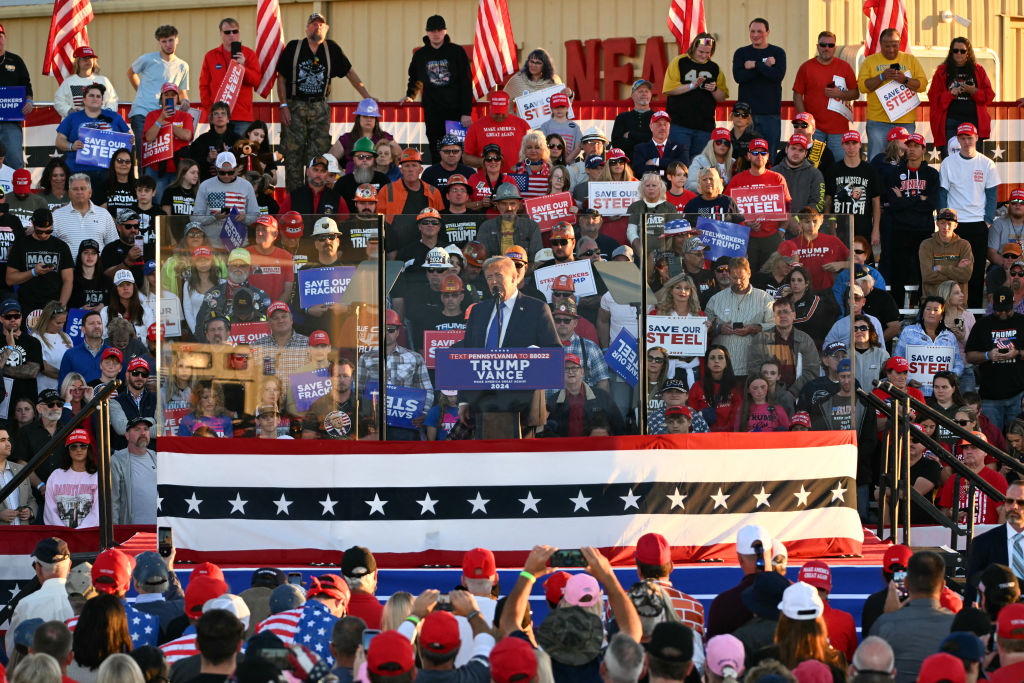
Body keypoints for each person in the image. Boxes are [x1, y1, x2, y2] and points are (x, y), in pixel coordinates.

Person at [276, 13, 373, 191]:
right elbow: (280, 77)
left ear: (326, 29)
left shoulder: (331, 49)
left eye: (321, 24)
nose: (317, 27)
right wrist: (283, 105)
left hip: (320, 107)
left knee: (319, 157)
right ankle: (295, 203)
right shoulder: (294, 48)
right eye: (313, 24)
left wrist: (366, 96)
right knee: (293, 157)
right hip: (295, 106)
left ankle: (316, 199)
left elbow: (350, 73)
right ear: (307, 28)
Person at [869, 550, 955, 683]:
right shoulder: (955, 625)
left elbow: (870, 668)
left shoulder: (884, 623)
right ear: (943, 585)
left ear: (906, 583)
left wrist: (890, 617)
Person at [939, 123, 1000, 307]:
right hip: (955, 225)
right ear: (957, 139)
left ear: (976, 138)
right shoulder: (948, 163)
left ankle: (974, 311)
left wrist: (987, 221)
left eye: (969, 138)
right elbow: (943, 193)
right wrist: (943, 222)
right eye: (963, 138)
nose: (966, 142)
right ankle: (953, 311)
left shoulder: (987, 163)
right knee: (955, 269)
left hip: (978, 224)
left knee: (976, 269)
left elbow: (992, 195)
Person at [400, 15, 473, 164]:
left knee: (455, 149)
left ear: (445, 31)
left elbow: (466, 83)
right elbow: (414, 79)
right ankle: (436, 184)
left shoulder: (457, 52)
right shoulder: (420, 55)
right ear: (427, 33)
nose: (436, 33)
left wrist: (466, 112)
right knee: (436, 149)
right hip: (432, 111)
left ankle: (456, 182)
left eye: (439, 30)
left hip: (455, 112)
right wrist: (410, 96)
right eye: (432, 30)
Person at [857, 29, 927, 160]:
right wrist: (882, 77)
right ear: (880, 44)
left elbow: (922, 85)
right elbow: (862, 87)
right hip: (878, 122)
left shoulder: (910, 60)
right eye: (887, 45)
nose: (890, 49)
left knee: (906, 160)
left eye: (894, 45)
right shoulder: (870, 61)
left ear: (900, 43)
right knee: (877, 159)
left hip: (905, 121)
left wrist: (904, 80)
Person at [127, 25, 190, 168]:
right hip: (142, 111)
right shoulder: (147, 59)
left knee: (163, 154)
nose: (168, 44)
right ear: (159, 42)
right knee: (145, 153)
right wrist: (140, 91)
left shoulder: (183, 66)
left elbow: (181, 91)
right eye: (164, 41)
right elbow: (130, 73)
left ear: (177, 40)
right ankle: (144, 189)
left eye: (171, 40)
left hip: (166, 114)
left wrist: (185, 100)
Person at [724, 139, 792, 271]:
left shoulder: (777, 178)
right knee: (748, 275)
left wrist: (782, 231)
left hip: (772, 237)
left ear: (767, 156)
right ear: (749, 156)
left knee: (772, 275)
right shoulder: (737, 180)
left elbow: (788, 208)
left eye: (763, 153)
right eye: (755, 153)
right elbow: (727, 211)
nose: (759, 156)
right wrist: (744, 223)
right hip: (746, 238)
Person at [661, 33, 728, 164]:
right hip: (679, 125)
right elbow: (668, 89)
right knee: (679, 164)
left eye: (708, 52)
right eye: (701, 51)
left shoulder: (714, 67)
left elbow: (722, 97)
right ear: (693, 47)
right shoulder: (679, 61)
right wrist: (692, 86)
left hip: (705, 127)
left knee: (700, 165)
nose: (704, 55)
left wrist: (714, 89)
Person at [792, 31, 860, 160]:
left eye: (830, 45)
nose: (826, 48)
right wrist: (805, 121)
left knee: (838, 165)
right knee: (814, 165)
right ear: (817, 46)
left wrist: (840, 94)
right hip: (815, 129)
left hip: (838, 129)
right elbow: (797, 95)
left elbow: (855, 93)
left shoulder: (844, 67)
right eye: (823, 45)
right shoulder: (806, 67)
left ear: (835, 47)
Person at [966, 287, 1024, 431]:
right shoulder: (982, 325)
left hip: (1018, 394)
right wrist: (988, 355)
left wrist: (1017, 353)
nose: (1003, 313)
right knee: (992, 442)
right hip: (990, 396)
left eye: (1006, 309)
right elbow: (969, 355)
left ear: (1014, 303)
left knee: (1018, 440)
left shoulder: (1022, 322)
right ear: (992, 304)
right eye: (999, 310)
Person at [746, 298, 820, 399]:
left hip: (798, 398)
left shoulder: (805, 340)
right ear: (774, 316)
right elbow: (753, 370)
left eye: (786, 312)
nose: (782, 316)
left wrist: (792, 393)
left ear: (794, 315)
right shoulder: (760, 339)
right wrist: (769, 392)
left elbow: (812, 372)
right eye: (778, 312)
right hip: (767, 397)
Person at [198, 18, 260, 137]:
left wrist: (243, 67)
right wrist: (210, 110)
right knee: (220, 152)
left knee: (239, 152)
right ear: (221, 34)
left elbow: (256, 81)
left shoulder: (249, 54)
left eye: (235, 31)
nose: (231, 35)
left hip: (242, 116)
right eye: (227, 32)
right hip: (218, 115)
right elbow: (204, 86)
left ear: (239, 33)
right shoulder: (210, 56)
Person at [732, 19, 786, 156]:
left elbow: (777, 76)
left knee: (769, 155)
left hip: (770, 115)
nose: (756, 34)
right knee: (744, 155)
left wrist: (755, 65)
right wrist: (764, 66)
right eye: (753, 31)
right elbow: (739, 77)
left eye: (760, 31)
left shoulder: (778, 52)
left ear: (767, 32)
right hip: (746, 116)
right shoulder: (741, 53)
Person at [929, 37, 996, 146]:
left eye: (963, 51)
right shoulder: (942, 71)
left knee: (972, 160)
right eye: (955, 51)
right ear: (951, 52)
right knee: (950, 159)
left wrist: (973, 91)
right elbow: (934, 98)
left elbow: (989, 96)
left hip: (973, 123)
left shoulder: (978, 70)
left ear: (968, 53)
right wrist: (950, 94)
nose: (959, 53)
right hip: (950, 122)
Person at [939, 431, 1009, 525]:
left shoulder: (997, 478)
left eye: (974, 447)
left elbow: (1004, 512)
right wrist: (950, 514)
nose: (969, 451)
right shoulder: (954, 479)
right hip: (960, 536)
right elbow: (943, 512)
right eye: (965, 448)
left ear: (985, 451)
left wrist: (998, 536)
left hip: (986, 535)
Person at [824, 131, 881, 245]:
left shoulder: (870, 171)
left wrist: (875, 231)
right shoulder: (833, 170)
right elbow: (828, 202)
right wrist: (830, 228)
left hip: (863, 229)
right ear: (842, 145)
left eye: (854, 143)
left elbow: (876, 203)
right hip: (839, 229)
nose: (851, 147)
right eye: (847, 143)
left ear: (860, 145)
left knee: (862, 262)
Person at [43, 429, 98, 528]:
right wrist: (65, 532)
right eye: (73, 446)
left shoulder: (97, 477)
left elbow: (98, 512)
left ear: (88, 449)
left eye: (83, 446)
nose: (79, 449)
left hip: (88, 536)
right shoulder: (56, 475)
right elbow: (50, 511)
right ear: (68, 450)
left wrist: (78, 533)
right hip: (60, 536)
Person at [475, 183, 543, 260]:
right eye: (504, 204)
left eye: (512, 203)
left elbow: (536, 258)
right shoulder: (486, 227)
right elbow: (481, 258)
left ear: (518, 205)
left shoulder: (531, 227)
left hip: (522, 270)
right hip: (495, 270)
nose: (509, 208)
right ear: (497, 205)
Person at [919, 208, 974, 300]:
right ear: (937, 223)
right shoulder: (926, 245)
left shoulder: (964, 245)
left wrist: (940, 268)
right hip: (933, 303)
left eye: (949, 224)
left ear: (956, 225)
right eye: (942, 223)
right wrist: (956, 269)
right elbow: (927, 276)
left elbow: (965, 276)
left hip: (957, 303)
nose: (946, 227)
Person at [0, 24, 33, 170]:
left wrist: (29, 101)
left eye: (0, 37)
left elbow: (26, 83)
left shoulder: (15, 60)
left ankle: (16, 192)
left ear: (5, 38)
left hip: (10, 122)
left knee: (14, 160)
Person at [687, 345, 743, 432]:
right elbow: (692, 416)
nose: (716, 361)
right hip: (703, 436)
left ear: (726, 362)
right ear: (707, 363)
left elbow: (737, 416)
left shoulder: (735, 387)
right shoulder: (697, 387)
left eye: (720, 358)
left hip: (728, 437)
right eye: (712, 358)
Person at [504, 47, 572, 99]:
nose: (534, 65)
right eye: (532, 62)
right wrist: (514, 117)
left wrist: (569, 95)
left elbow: (563, 103)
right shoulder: (517, 80)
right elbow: (505, 100)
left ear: (545, 65)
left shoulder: (554, 80)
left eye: (538, 63)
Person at [611, 79, 655, 160]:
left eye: (646, 91)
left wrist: (632, 135)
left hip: (652, 164)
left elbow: (658, 141)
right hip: (628, 165)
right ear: (632, 95)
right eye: (640, 91)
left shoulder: (657, 117)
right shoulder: (622, 117)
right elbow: (616, 144)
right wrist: (645, 139)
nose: (644, 94)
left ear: (651, 95)